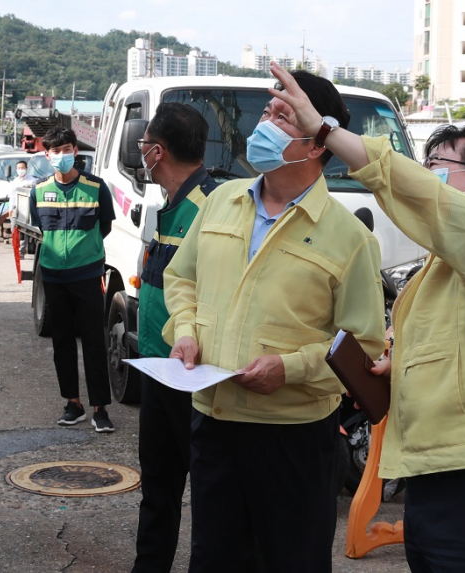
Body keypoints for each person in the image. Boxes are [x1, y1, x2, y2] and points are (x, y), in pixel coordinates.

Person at [268, 61, 465, 573]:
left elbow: (411, 188)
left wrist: (324, 129)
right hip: (435, 472)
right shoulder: (452, 262)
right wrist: (399, 366)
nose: (427, 174)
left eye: (437, 163)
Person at [162, 71, 385, 573]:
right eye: (266, 113)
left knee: (290, 562)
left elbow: (364, 345)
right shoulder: (222, 200)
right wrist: (185, 333)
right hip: (214, 424)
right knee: (215, 560)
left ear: (317, 140)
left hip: (294, 438)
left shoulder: (349, 238)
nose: (264, 123)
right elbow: (182, 279)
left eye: (282, 115)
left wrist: (291, 368)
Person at [130, 103, 217, 573]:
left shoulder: (212, 206)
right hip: (156, 368)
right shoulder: (170, 205)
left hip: (192, 378)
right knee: (158, 489)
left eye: (143, 143)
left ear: (156, 151)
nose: (140, 150)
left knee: (207, 495)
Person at [28, 127, 117, 433]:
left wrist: (84, 254)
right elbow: (41, 227)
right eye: (56, 151)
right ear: (46, 155)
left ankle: (100, 408)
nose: (62, 156)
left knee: (94, 340)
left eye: (67, 149)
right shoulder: (38, 191)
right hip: (53, 277)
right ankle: (73, 404)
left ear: (76, 151)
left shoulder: (96, 187)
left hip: (88, 275)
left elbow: (104, 225)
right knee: (62, 341)